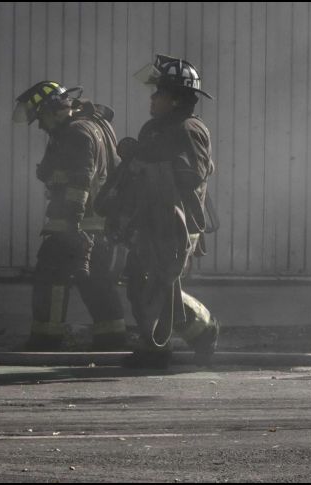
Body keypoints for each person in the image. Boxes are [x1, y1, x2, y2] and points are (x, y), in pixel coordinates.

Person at [96, 54, 220, 369]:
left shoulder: (190, 129)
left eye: (158, 93)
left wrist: (152, 159)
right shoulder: (154, 128)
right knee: (142, 283)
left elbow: (194, 174)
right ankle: (183, 337)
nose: (152, 98)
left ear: (176, 98)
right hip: (150, 219)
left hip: (176, 223)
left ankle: (181, 339)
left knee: (155, 283)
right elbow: (137, 172)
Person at [12, 81, 128, 351]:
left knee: (50, 279)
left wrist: (74, 226)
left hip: (73, 225)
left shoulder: (76, 133)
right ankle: (111, 339)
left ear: (54, 110)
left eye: (41, 117)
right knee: (96, 284)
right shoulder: (93, 124)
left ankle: (46, 339)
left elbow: (80, 181)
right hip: (98, 226)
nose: (40, 125)